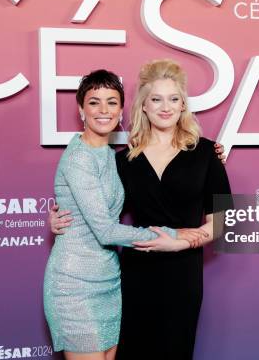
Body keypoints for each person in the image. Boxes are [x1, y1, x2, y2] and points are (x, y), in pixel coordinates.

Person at [50, 60, 232, 360]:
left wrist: (180, 241)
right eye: (156, 99)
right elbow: (95, 206)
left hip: (183, 276)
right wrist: (58, 217)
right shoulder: (122, 160)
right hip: (135, 277)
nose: (166, 107)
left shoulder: (207, 153)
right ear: (143, 106)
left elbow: (223, 221)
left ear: (183, 105)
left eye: (174, 99)